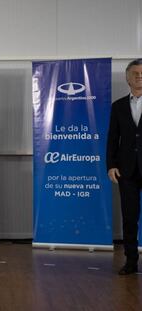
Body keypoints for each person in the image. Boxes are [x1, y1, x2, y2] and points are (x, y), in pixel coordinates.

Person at [107, 58, 142, 275]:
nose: (139, 77)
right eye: (135, 74)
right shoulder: (118, 106)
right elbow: (113, 138)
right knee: (129, 218)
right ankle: (131, 261)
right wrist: (111, 165)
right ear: (127, 78)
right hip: (126, 171)